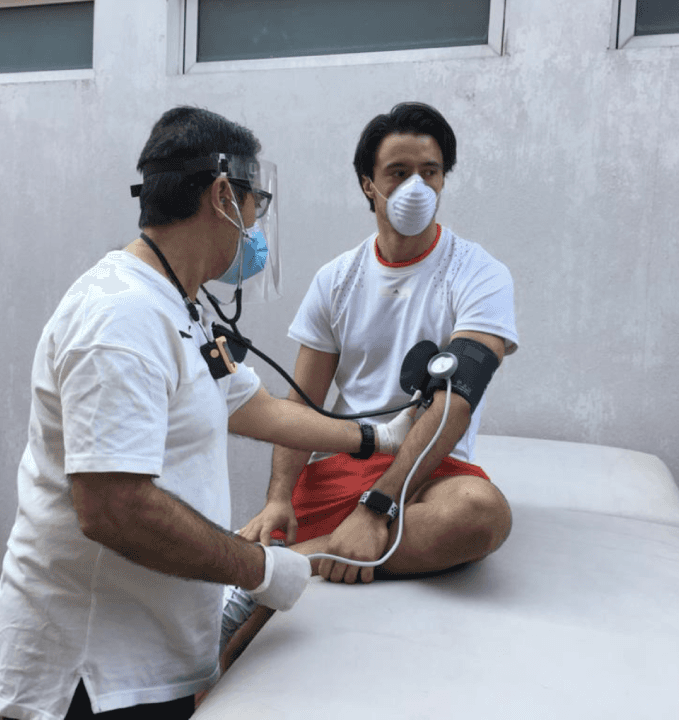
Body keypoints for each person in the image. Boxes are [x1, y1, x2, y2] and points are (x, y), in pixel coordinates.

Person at [0, 106, 415, 720]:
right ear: (222, 197)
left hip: (144, 655)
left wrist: (376, 436)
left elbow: (255, 406)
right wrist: (261, 571)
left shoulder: (177, 305)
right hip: (91, 676)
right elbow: (113, 507)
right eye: (255, 205)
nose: (257, 226)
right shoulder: (120, 319)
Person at [224, 101, 519, 665]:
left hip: (427, 469)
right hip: (340, 464)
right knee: (222, 648)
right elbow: (303, 402)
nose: (416, 186)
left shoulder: (478, 273)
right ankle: (277, 570)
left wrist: (376, 510)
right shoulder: (338, 279)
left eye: (430, 172)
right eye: (398, 173)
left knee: (482, 512)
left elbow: (456, 401)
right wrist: (278, 498)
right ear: (369, 185)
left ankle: (304, 560)